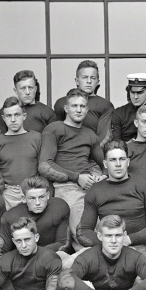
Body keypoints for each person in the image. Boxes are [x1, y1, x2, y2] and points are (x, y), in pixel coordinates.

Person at [76, 140, 146, 259]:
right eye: (113, 160)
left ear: (128, 162)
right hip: (105, 248)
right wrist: (110, 243)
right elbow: (83, 231)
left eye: (122, 159)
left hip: (136, 246)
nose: (118, 164)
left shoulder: (144, 185)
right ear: (105, 164)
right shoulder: (95, 190)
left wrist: (128, 239)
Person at [38, 88, 105, 244]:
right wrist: (76, 177)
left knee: (105, 229)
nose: (79, 109)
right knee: (83, 235)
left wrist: (103, 175)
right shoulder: (55, 129)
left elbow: (104, 162)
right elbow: (45, 165)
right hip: (67, 186)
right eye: (74, 106)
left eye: (82, 106)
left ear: (87, 109)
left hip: (91, 187)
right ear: (66, 109)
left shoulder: (90, 134)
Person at [0, 96, 42, 210]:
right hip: (8, 193)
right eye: (8, 116)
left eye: (16, 115)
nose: (13, 119)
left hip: (33, 190)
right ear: (3, 118)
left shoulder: (36, 138)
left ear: (24, 116)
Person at [0, 176, 70, 255]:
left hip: (50, 256)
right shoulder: (10, 217)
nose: (37, 203)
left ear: (48, 195)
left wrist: (35, 253)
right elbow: (2, 252)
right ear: (24, 198)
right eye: (32, 198)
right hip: (23, 259)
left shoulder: (59, 206)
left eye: (41, 197)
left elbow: (63, 244)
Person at [53, 60, 114, 146]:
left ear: (97, 82)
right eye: (85, 77)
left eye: (93, 78)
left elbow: (104, 137)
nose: (89, 81)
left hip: (92, 153)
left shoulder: (105, 105)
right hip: (67, 152)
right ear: (77, 81)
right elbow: (57, 132)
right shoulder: (62, 103)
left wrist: (90, 153)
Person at [111, 73, 146, 142]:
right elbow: (116, 141)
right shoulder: (119, 112)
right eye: (132, 92)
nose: (135, 97)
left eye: (139, 93)